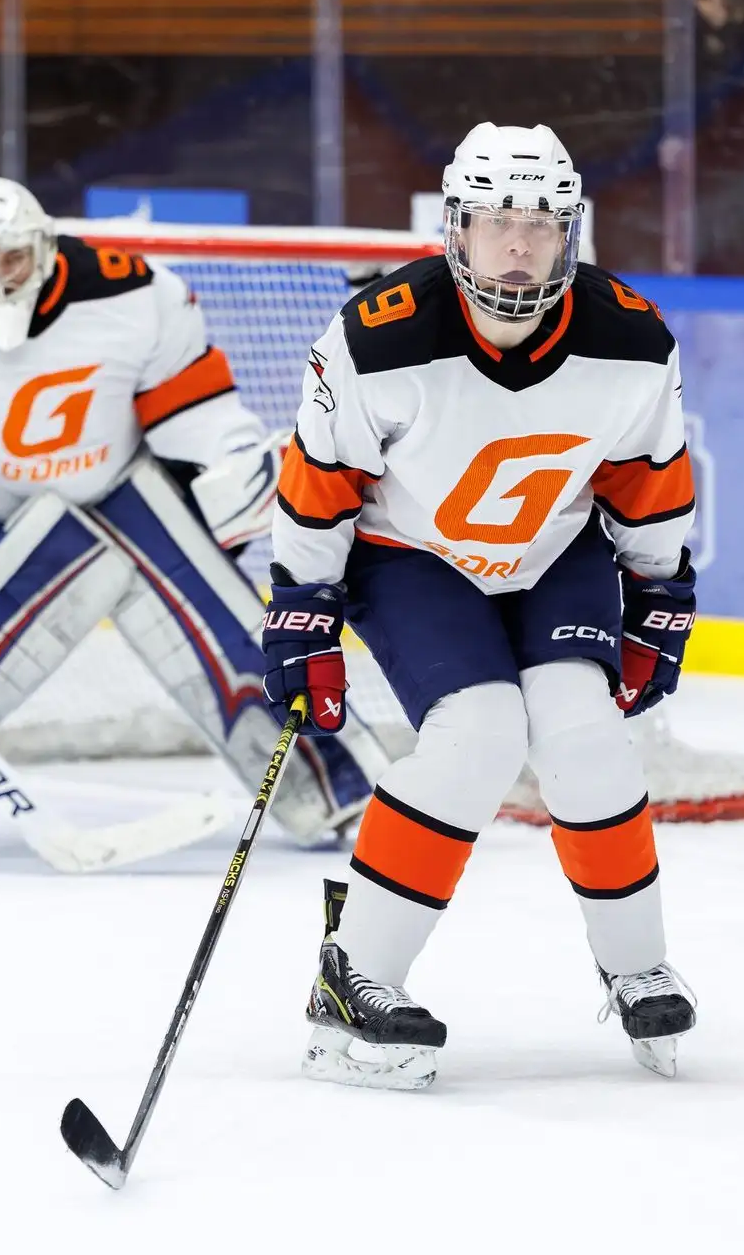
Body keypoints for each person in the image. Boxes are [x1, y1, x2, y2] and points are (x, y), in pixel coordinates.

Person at [0, 175, 388, 860]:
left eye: (13, 259)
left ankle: (337, 787)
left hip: (120, 497)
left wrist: (228, 466)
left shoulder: (134, 293)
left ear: (45, 247)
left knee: (227, 634)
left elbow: (193, 408)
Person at [260, 122, 701, 1089]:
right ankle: (354, 975)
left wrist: (660, 590)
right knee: (479, 733)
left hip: (553, 549)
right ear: (455, 229)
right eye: (497, 221)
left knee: (584, 731)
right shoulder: (376, 337)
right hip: (411, 556)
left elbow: (648, 479)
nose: (517, 245)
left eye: (539, 225)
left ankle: (639, 967)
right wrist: (302, 607)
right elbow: (321, 480)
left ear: (570, 233)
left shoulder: (631, 338)